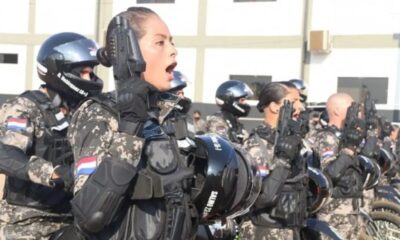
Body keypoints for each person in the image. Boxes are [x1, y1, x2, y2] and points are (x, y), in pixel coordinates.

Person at [63, 7, 197, 239]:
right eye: (160, 43)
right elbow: (90, 216)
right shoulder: (99, 114)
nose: (174, 51)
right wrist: (130, 128)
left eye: (172, 42)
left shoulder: (170, 115)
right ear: (129, 51)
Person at [0, 32, 103, 239]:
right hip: (28, 222)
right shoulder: (25, 108)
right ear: (60, 71)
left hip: (73, 218)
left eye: (91, 73)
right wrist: (55, 173)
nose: (89, 79)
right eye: (83, 72)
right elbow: (6, 156)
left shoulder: (83, 112)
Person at [240, 81, 305, 240]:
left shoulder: (294, 143)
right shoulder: (255, 146)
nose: (301, 108)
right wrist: (282, 160)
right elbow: (261, 198)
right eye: (294, 101)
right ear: (275, 106)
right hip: (263, 232)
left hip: (291, 230)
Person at [309, 93, 365, 239]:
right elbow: (329, 174)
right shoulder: (327, 137)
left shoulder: (345, 137)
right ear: (337, 111)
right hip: (333, 214)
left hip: (350, 211)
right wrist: (348, 151)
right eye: (351, 108)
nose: (356, 113)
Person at [206, 80, 253, 144]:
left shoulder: (236, 123)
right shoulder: (217, 121)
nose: (245, 103)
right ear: (230, 100)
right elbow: (221, 147)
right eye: (242, 100)